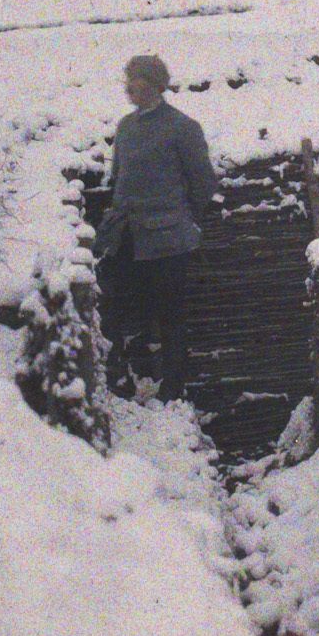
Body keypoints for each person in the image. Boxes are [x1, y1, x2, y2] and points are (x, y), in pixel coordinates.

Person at [93, 54, 214, 405]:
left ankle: (172, 391)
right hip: (127, 237)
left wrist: (179, 219)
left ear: (157, 85)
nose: (131, 87)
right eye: (129, 79)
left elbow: (203, 183)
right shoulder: (126, 127)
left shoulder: (182, 128)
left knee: (170, 315)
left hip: (167, 241)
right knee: (114, 308)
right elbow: (118, 178)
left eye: (139, 80)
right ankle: (121, 382)